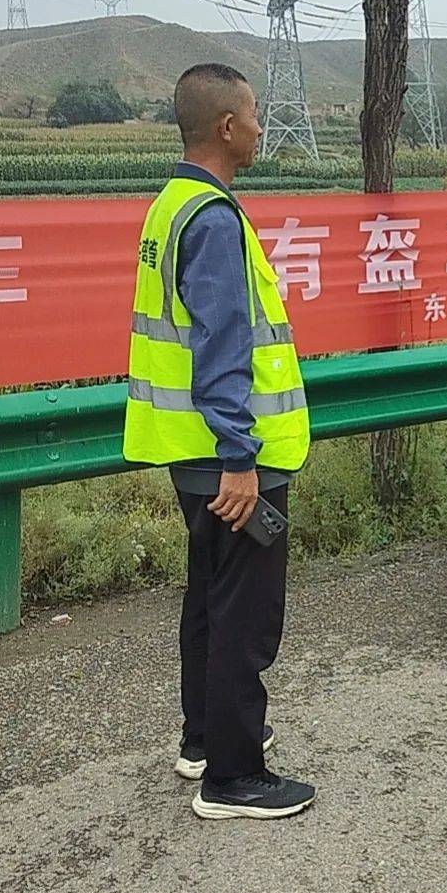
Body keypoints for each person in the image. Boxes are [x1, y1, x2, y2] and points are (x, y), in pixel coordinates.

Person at [124, 62, 317, 819]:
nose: (263, 126)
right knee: (245, 613)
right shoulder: (212, 219)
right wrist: (241, 456)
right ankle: (234, 779)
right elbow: (222, 346)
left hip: (189, 452)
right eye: (256, 114)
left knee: (210, 598)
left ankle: (204, 738)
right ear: (228, 127)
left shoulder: (171, 205)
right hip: (231, 458)